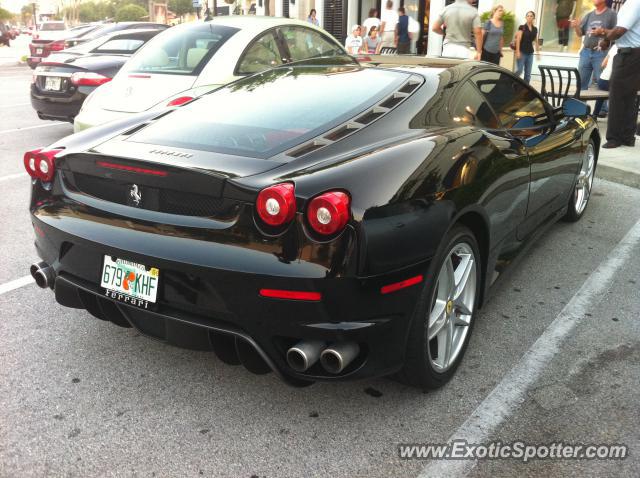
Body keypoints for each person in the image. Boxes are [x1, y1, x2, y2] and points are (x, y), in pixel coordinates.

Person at [598, 0, 640, 148]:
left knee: (617, 96)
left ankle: (614, 138)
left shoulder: (634, 3)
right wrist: (606, 39)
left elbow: (619, 31)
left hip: (629, 55)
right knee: (629, 98)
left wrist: (603, 33)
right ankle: (627, 137)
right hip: (632, 54)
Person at [571, 0, 617, 91]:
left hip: (601, 53)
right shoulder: (589, 15)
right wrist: (576, 26)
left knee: (602, 85)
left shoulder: (612, 14)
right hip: (586, 52)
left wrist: (602, 32)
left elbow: (616, 34)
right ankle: (582, 105)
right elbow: (580, 34)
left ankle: (601, 106)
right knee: (581, 85)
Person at [515, 11, 541, 84]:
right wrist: (517, 51)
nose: (529, 17)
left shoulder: (535, 29)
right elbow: (518, 40)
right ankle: (511, 81)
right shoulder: (522, 27)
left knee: (528, 74)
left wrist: (538, 52)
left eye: (531, 16)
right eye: (528, 16)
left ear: (533, 18)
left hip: (530, 53)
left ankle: (525, 90)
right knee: (519, 70)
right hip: (522, 52)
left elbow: (536, 41)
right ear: (526, 17)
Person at [592, 44, 617, 117]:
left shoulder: (614, 46)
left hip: (603, 80)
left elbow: (603, 64)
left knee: (601, 97)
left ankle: (594, 115)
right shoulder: (631, 49)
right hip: (614, 81)